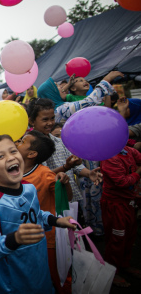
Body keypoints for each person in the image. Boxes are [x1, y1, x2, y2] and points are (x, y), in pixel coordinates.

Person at [0, 135, 76, 293]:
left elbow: (37, 214)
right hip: (11, 282)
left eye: (13, 151)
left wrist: (57, 221)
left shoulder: (28, 187)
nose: (10, 157)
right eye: (1, 156)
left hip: (38, 270)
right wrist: (15, 238)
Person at [16, 130, 72, 293]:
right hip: (23, 236)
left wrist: (65, 183)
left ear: (32, 153)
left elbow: (66, 199)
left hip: (46, 238)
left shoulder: (45, 174)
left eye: (22, 142)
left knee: (55, 276)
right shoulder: (12, 173)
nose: (17, 143)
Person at [27, 98, 103, 215]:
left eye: (52, 118)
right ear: (32, 121)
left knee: (72, 229)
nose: (50, 123)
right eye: (45, 119)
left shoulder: (59, 141)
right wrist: (66, 167)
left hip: (70, 196)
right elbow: (42, 176)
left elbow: (75, 166)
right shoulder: (31, 148)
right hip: (51, 199)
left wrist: (89, 173)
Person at [100, 145, 141, 287]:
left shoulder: (127, 150)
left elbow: (138, 157)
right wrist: (139, 172)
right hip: (115, 204)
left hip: (129, 202)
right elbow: (122, 182)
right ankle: (111, 271)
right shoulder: (109, 157)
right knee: (116, 237)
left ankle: (124, 264)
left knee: (130, 234)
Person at [37, 71, 123, 122]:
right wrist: (106, 79)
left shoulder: (56, 109)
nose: (61, 87)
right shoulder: (61, 109)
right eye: (57, 86)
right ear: (51, 93)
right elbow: (89, 101)